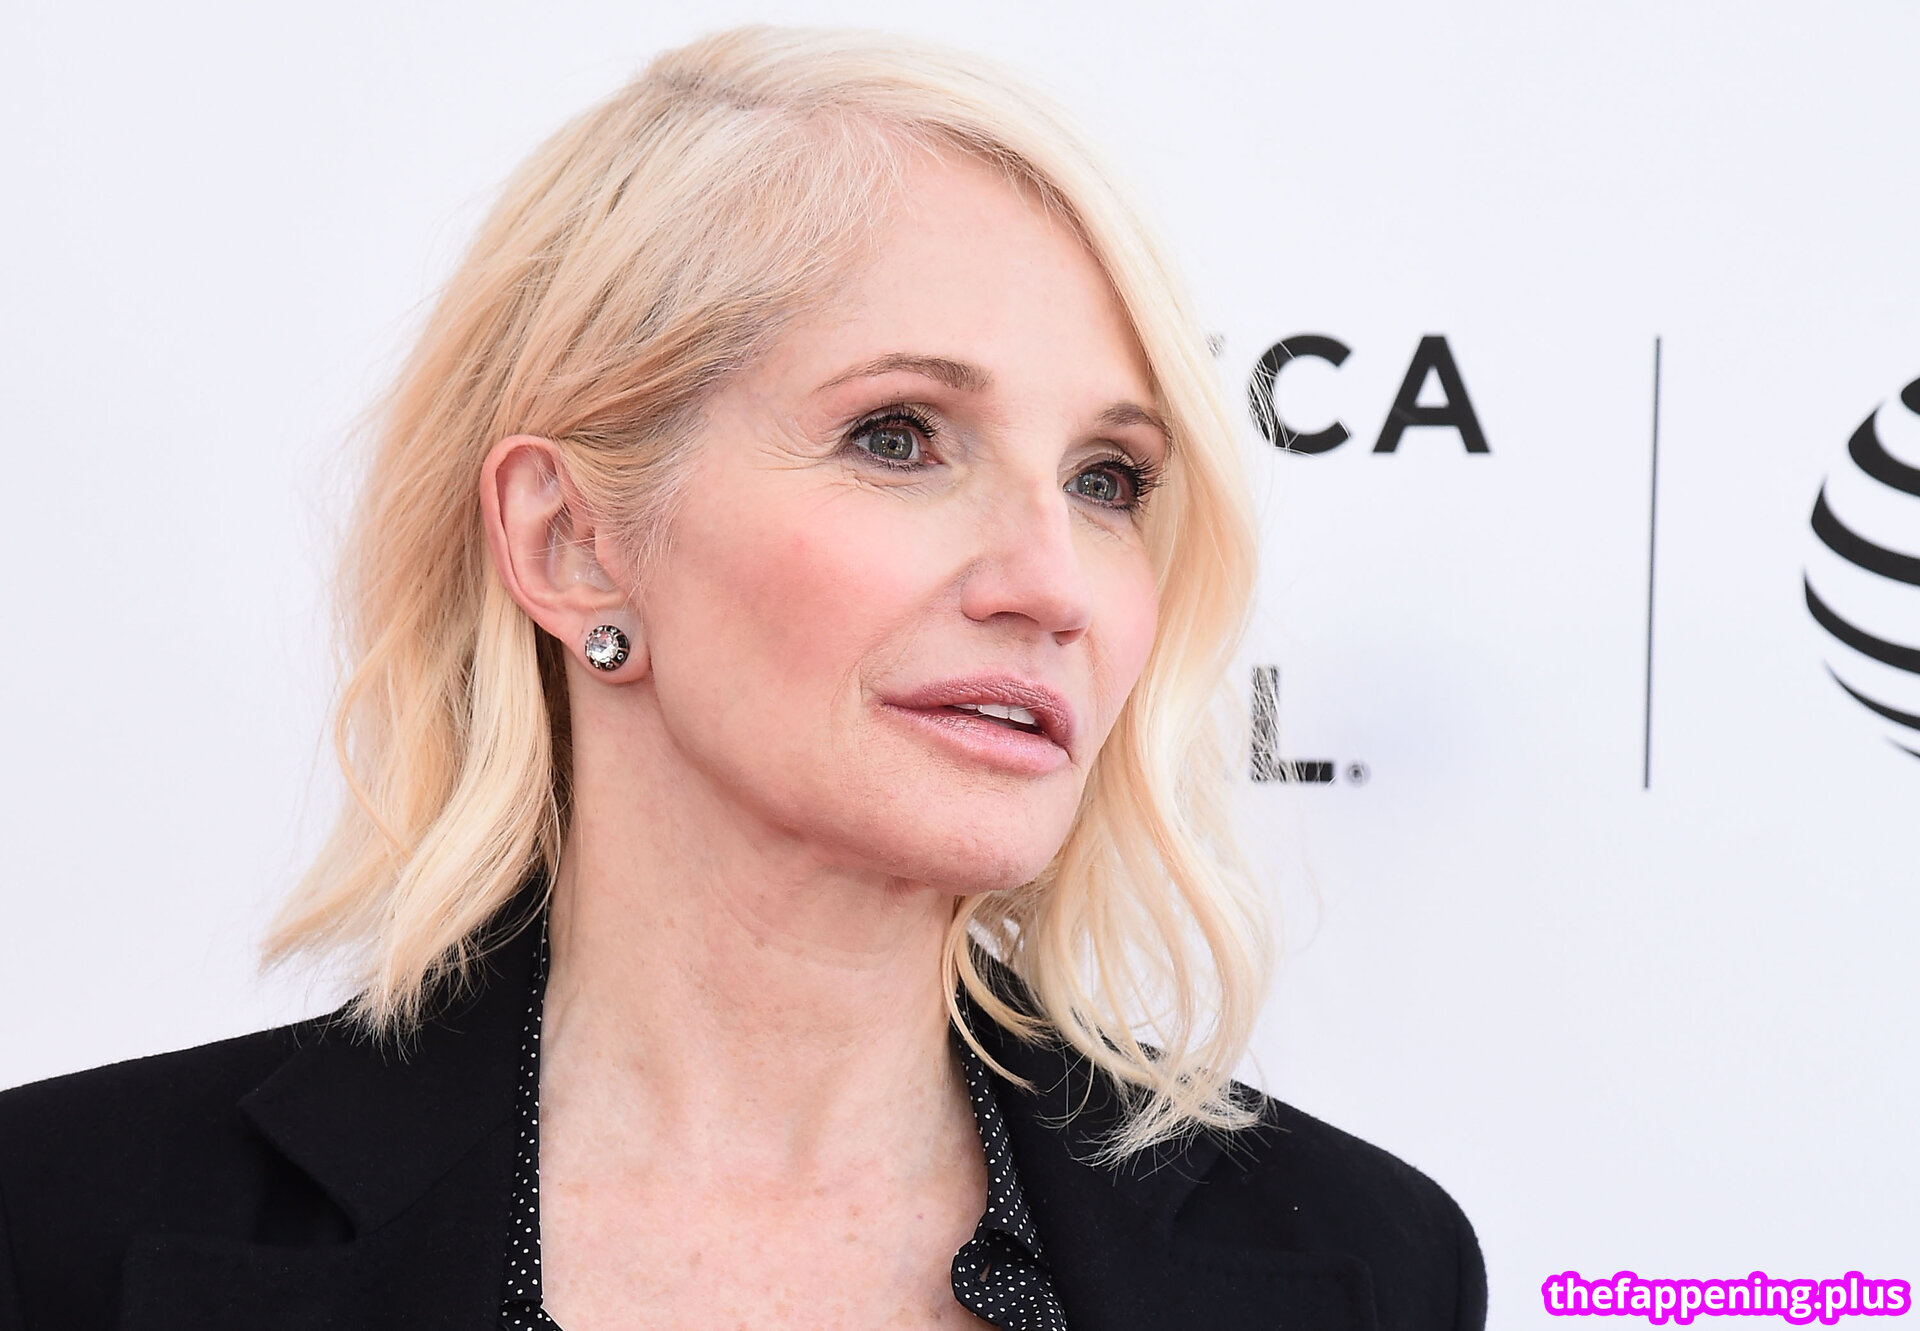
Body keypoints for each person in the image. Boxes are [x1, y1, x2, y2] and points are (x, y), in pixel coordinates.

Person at [0, 26, 1485, 1331]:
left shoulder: (1368, 1264)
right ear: (573, 540)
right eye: (899, 437)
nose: (1054, 585)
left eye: (1108, 479)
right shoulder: (55, 1231)